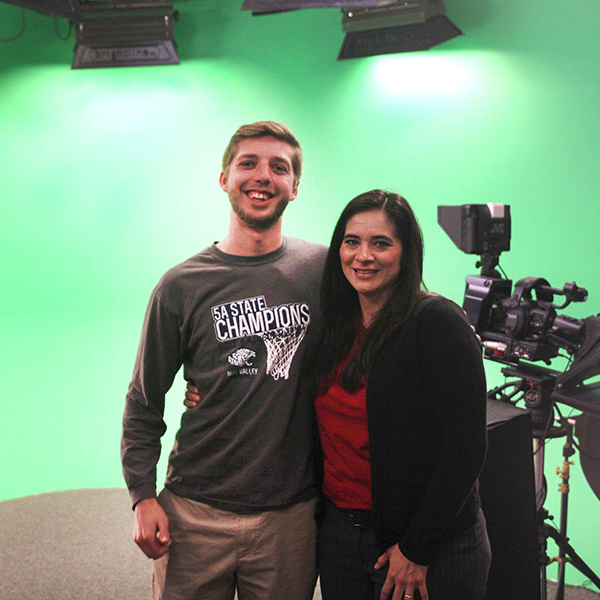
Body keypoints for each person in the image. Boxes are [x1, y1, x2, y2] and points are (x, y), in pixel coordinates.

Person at [121, 121, 327, 600]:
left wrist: (444, 320)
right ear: (224, 178)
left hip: (290, 517)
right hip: (194, 510)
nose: (262, 176)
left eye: (279, 167)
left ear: (294, 187)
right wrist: (142, 496)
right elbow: (144, 400)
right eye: (248, 163)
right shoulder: (180, 286)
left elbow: (389, 291)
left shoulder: (321, 271)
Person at [307, 190, 491, 600]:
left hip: (426, 543)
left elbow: (466, 448)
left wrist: (416, 548)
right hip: (340, 532)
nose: (363, 256)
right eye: (352, 241)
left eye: (381, 243)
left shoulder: (437, 323)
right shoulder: (335, 326)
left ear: (406, 253)